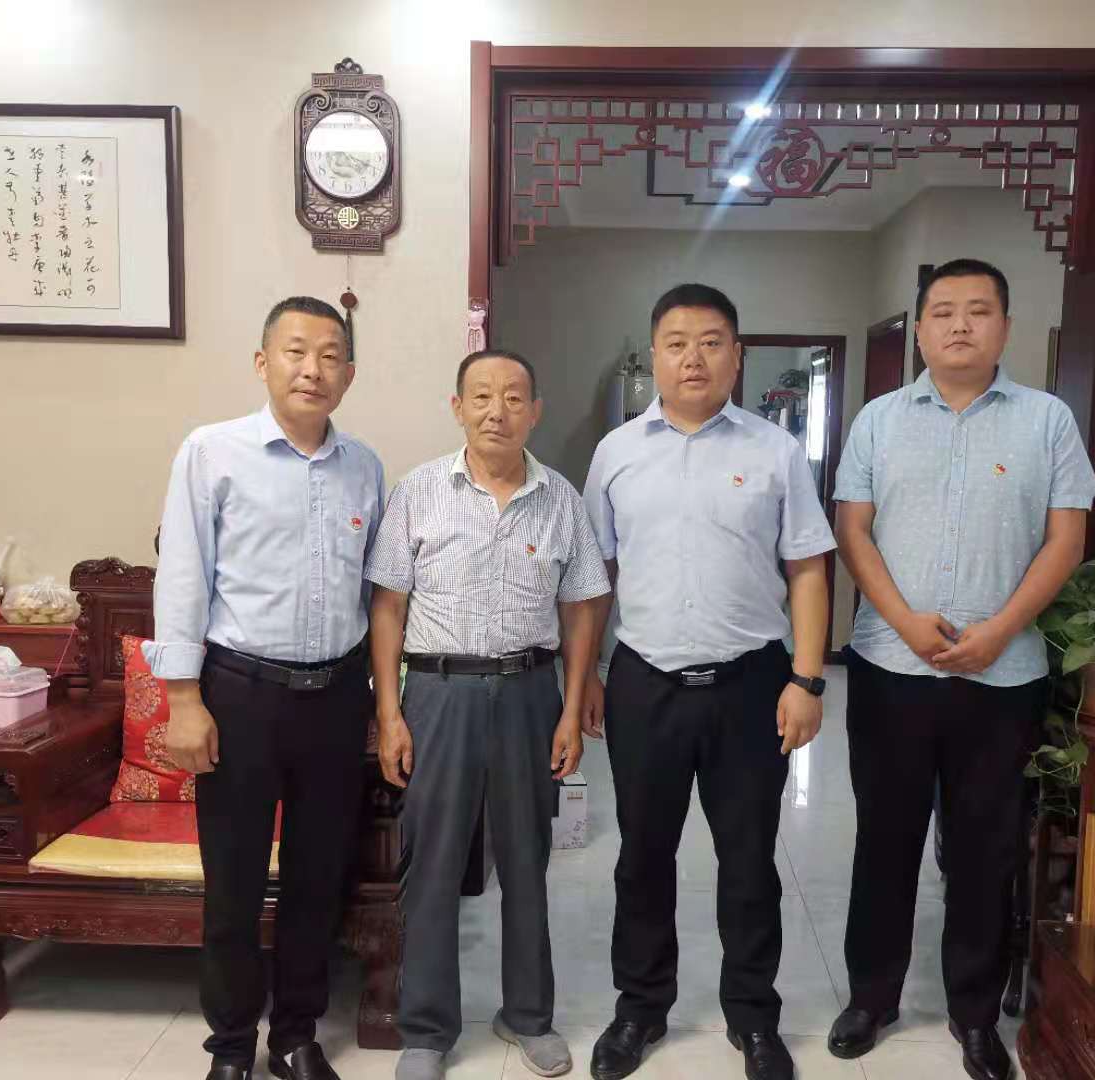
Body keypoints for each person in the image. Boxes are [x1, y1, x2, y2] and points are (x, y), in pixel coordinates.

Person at [829, 258, 1095, 1080]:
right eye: (943, 311)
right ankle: (872, 996)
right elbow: (852, 529)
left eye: (978, 311)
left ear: (1004, 328)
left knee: (986, 848)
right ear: (919, 329)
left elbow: (1066, 539)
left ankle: (974, 1014)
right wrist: (905, 622)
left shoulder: (1047, 421)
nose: (959, 325)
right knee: (885, 839)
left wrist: (1001, 631)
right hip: (890, 667)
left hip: (1003, 676)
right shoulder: (878, 420)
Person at [581, 284, 835, 1080]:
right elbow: (594, 576)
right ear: (655, 354)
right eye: (677, 342)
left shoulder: (775, 451)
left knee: (750, 861)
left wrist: (807, 679)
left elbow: (808, 569)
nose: (693, 357)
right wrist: (585, 674)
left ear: (737, 355)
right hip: (645, 681)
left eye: (712, 341)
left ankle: (753, 1017)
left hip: (751, 684)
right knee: (642, 858)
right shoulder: (616, 452)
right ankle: (640, 1008)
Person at [148, 296, 385, 1080]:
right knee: (235, 884)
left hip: (336, 697)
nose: (312, 369)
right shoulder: (212, 452)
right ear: (262, 363)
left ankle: (295, 1035)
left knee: (319, 879)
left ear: (349, 374)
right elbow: (183, 577)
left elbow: (373, 594)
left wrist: (377, 699)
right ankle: (229, 1046)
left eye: (330, 355)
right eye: (295, 351)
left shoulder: (364, 468)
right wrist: (184, 699)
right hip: (240, 695)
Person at [365, 349, 610, 1080]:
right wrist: (389, 713)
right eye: (481, 396)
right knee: (433, 861)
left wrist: (571, 706)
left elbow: (583, 607)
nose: (496, 410)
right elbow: (388, 606)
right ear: (458, 407)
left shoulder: (561, 499)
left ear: (535, 412)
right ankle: (426, 1029)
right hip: (437, 693)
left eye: (512, 397)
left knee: (527, 858)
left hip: (530, 692)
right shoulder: (418, 492)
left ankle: (528, 1015)